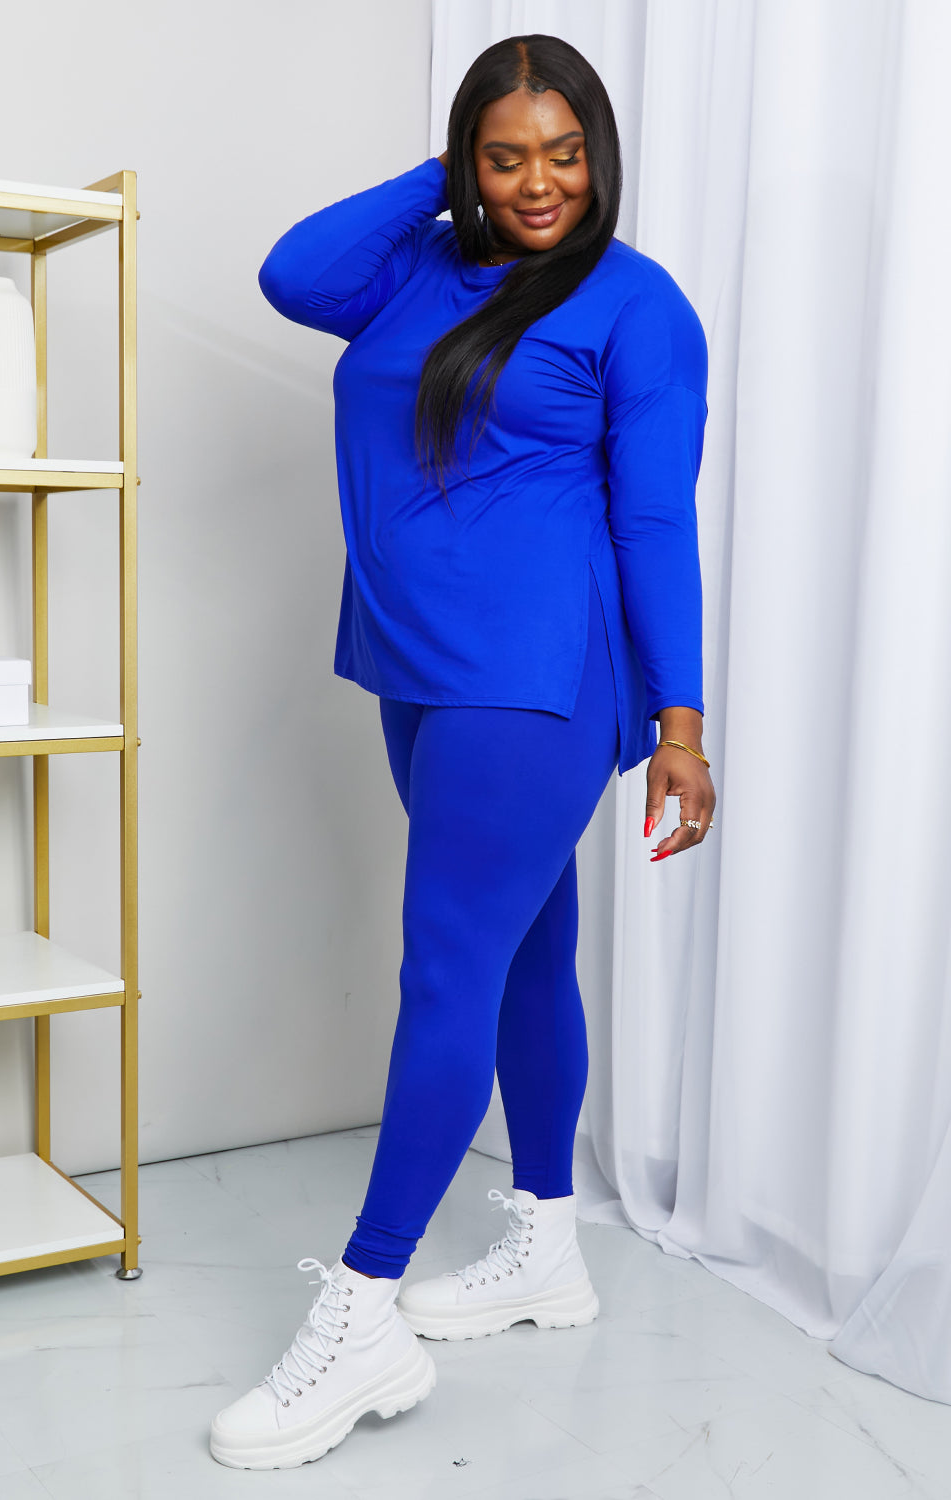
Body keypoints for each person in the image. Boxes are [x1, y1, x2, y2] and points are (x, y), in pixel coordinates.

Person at [210, 32, 716, 1471]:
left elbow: (653, 520)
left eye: (565, 154)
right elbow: (293, 274)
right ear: (465, 163)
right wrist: (441, 185)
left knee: (446, 967)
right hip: (416, 661)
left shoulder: (638, 307)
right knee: (524, 953)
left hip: (537, 677)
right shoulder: (420, 266)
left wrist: (680, 723)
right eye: (506, 157)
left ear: (600, 155)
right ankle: (547, 1247)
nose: (540, 182)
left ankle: (364, 1311)